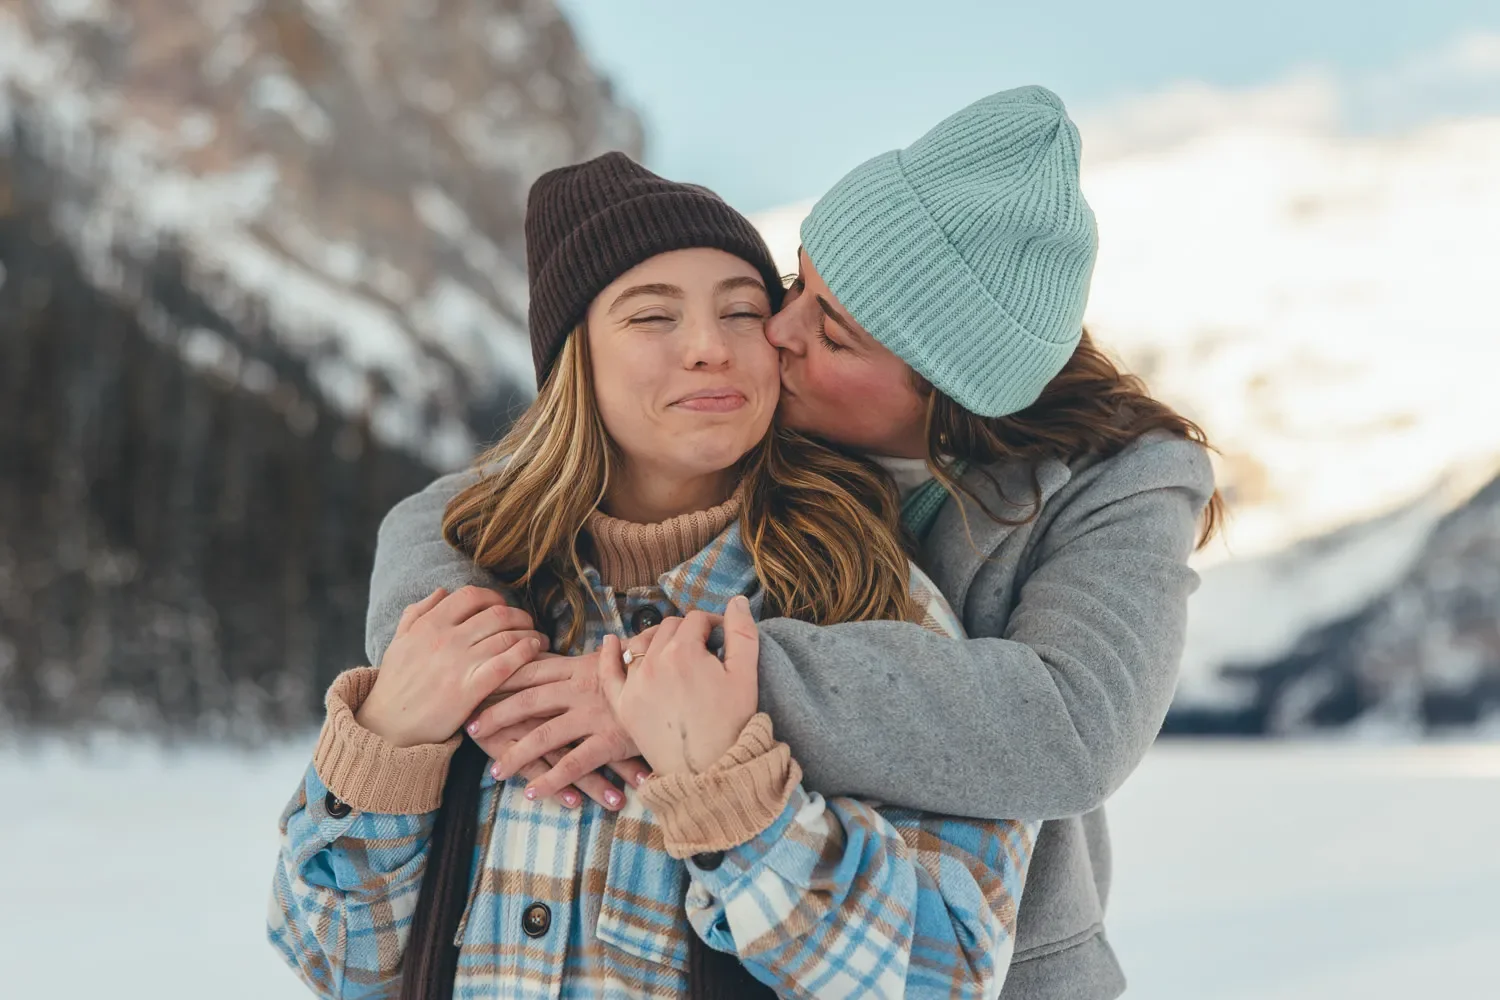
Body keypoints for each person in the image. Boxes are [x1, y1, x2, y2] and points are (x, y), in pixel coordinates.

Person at [365, 85, 1222, 999]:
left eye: (834, 331)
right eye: (798, 280)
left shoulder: (1119, 479)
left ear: (944, 396)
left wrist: (694, 685)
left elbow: (1074, 728)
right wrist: (446, 646)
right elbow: (481, 495)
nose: (774, 330)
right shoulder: (757, 405)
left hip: (985, 957)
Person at [269, 151, 1036, 999]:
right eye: (651, 317)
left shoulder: (872, 601)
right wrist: (386, 746)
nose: (709, 347)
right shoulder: (475, 604)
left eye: (744, 312)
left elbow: (950, 974)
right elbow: (332, 960)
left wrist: (733, 798)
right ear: (576, 360)